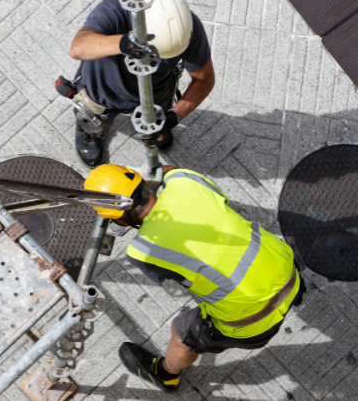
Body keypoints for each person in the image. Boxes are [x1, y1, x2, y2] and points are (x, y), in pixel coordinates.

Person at [83, 164, 303, 391]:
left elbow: (164, 277)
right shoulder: (185, 182)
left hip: (254, 321)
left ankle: (166, 375)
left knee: (182, 331)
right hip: (287, 271)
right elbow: (168, 169)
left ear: (119, 220)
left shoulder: (142, 251)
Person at [68, 0, 215, 166]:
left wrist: (173, 117)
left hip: (155, 94)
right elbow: (77, 47)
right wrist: (122, 43)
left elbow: (204, 79)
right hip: (102, 89)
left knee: (158, 124)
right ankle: (91, 129)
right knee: (93, 115)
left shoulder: (188, 29)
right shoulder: (115, 10)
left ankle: (157, 125)